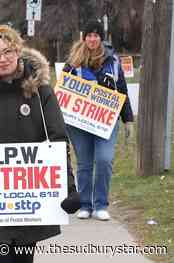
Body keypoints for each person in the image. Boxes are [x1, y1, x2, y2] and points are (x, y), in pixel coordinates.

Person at [0, 25, 80, 263]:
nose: (2, 59)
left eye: (8, 52)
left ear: (18, 52)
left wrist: (69, 186)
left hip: (30, 203)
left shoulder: (40, 92)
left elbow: (57, 140)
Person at [62, 20, 134, 221]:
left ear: (101, 37)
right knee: (84, 163)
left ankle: (101, 204)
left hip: (106, 120)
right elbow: (63, 90)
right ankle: (85, 204)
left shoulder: (113, 61)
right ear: (84, 37)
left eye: (96, 35)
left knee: (104, 160)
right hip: (79, 121)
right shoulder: (73, 62)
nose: (92, 39)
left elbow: (122, 90)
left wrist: (128, 119)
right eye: (89, 35)